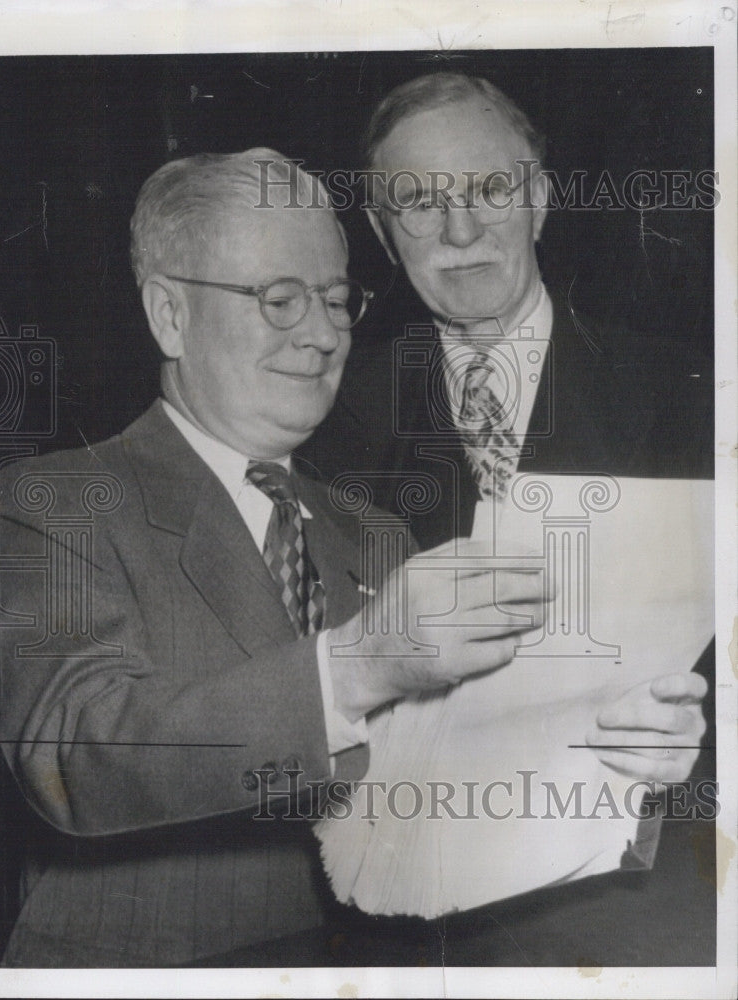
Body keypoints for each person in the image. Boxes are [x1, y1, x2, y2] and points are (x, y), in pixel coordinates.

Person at [0, 149, 553, 968]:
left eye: (334, 299)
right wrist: (355, 669)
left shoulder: (377, 534)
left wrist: (604, 762)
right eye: (280, 299)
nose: (323, 334)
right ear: (169, 315)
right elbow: (75, 757)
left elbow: (445, 801)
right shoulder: (52, 504)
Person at [300, 72, 714, 964]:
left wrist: (700, 757)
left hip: (631, 921)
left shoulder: (695, 395)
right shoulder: (323, 419)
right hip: (394, 931)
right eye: (416, 204)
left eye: (489, 188)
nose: (459, 231)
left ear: (540, 196)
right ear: (378, 231)